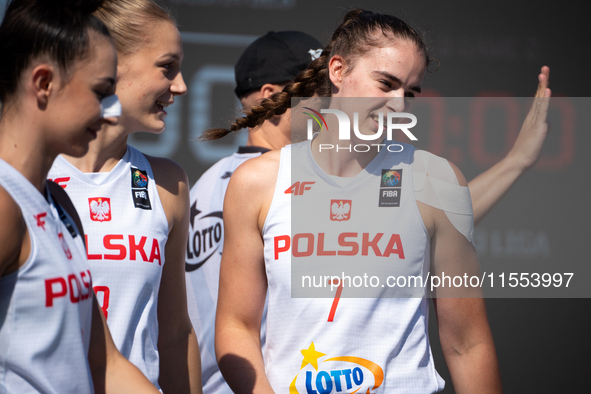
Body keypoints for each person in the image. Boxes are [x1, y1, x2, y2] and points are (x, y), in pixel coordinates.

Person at [210, 9, 553, 393]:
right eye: (385, 83)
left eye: (409, 92)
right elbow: (235, 326)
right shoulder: (257, 182)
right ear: (338, 71)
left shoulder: (436, 180)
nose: (399, 105)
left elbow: (467, 342)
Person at [0, 0, 161, 392]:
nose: (110, 112)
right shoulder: (4, 205)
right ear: (43, 83)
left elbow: (105, 364)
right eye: (101, 91)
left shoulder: (58, 203)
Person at [47, 0, 201, 392]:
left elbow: (175, 332)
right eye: (167, 67)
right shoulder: (23, 175)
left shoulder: (169, 183)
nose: (181, 86)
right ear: (109, 62)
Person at [185, 30, 323, 394]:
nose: (332, 102)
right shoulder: (283, 185)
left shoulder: (208, 181)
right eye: (318, 89)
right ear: (272, 97)